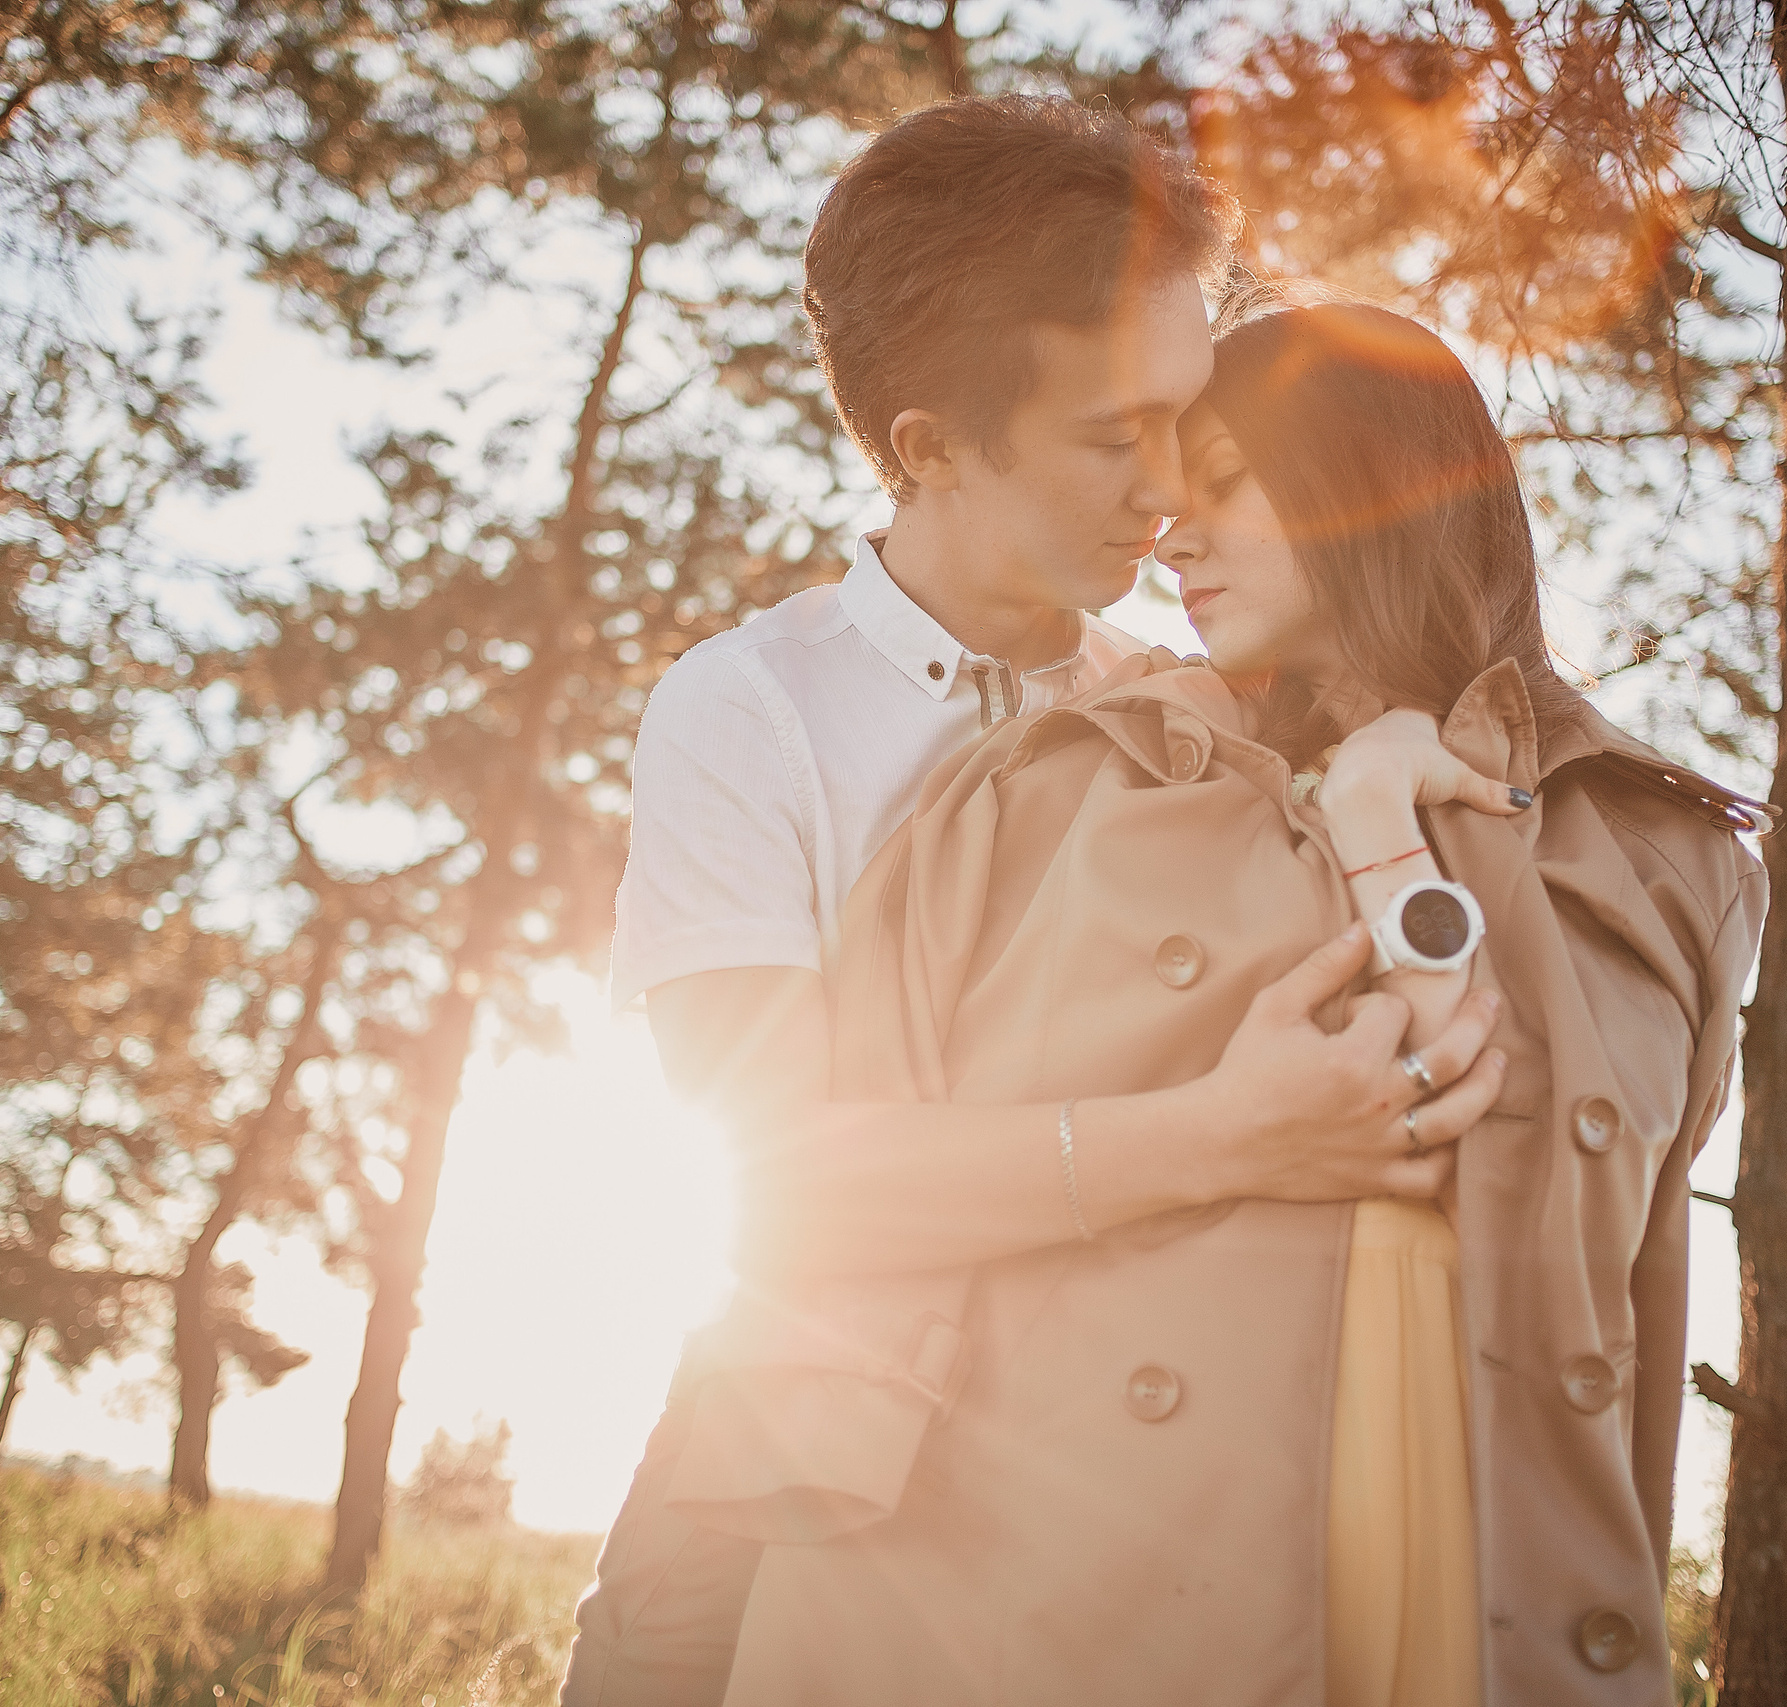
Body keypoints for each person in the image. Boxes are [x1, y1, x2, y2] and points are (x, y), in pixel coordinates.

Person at [560, 104, 1510, 1707]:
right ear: (930, 446)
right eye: (1109, 437)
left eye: (1188, 419)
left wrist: (1398, 743)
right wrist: (1223, 1136)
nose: (1173, 489)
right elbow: (791, 1185)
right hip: (801, 1447)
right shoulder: (753, 712)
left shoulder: (1205, 693)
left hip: (1121, 1492)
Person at [707, 296, 1769, 1705]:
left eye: (1223, 482)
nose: (1171, 532)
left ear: (1382, 485)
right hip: (1056, 1591)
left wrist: (1393, 799)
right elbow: (797, 1187)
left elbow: (1529, 1159)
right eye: (1156, 488)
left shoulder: (1668, 861)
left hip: (1492, 1591)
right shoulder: (1053, 790)